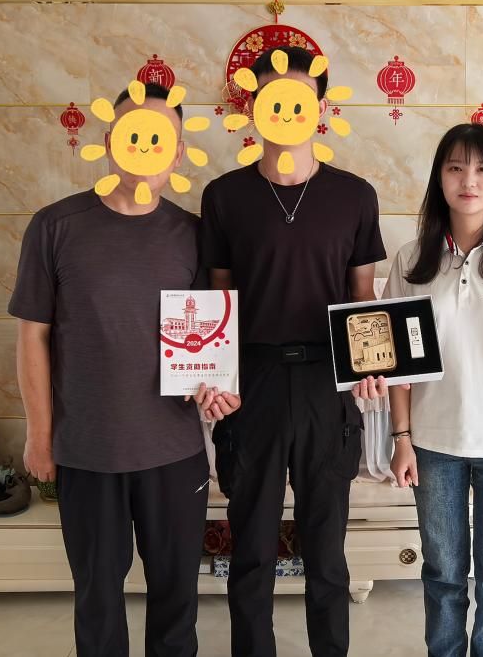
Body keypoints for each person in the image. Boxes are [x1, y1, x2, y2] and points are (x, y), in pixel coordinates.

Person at [10, 82, 240, 657]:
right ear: (110, 139)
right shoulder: (55, 226)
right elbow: (32, 336)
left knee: (176, 596)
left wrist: (215, 386)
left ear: (178, 153)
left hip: (173, 451)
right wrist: (39, 436)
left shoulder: (193, 233)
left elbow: (205, 337)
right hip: (88, 453)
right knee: (97, 596)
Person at [200, 45, 386, 657]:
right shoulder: (224, 196)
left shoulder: (354, 196)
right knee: (251, 549)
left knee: (326, 551)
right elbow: (218, 298)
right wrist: (215, 380)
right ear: (253, 107)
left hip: (325, 384)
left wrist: (371, 369)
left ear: (321, 108)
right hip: (251, 382)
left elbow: (362, 297)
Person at [355, 122, 483, 657]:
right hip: (432, 445)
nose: (468, 180)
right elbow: (399, 365)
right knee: (443, 572)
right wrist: (401, 438)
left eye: (481, 168)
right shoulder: (411, 261)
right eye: (455, 168)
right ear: (440, 178)